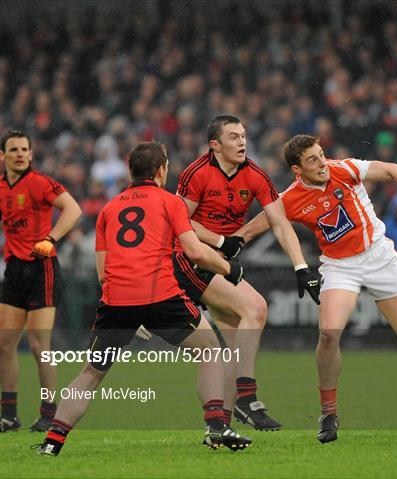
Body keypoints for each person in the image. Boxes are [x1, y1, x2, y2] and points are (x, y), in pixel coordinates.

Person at [35, 142, 251, 456]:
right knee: (210, 350)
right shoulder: (169, 202)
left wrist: (129, 315)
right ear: (162, 170)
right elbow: (194, 251)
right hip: (160, 296)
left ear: (130, 171)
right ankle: (216, 426)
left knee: (92, 373)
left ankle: (52, 444)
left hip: (116, 302)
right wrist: (230, 269)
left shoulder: (109, 209)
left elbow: (102, 274)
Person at [235, 135, 397, 444]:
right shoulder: (292, 197)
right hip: (340, 266)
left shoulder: (345, 169)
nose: (322, 163)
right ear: (297, 169)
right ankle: (328, 413)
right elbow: (262, 222)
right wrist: (231, 243)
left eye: (322, 155)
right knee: (329, 333)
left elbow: (394, 170)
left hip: (379, 256)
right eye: (312, 159)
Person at [171, 115, 320, 430]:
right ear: (215, 145)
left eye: (243, 136)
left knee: (237, 344)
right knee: (256, 307)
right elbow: (179, 220)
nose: (242, 142)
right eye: (234, 137)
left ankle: (222, 425)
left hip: (218, 264)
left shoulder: (254, 175)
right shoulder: (196, 173)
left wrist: (301, 266)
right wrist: (220, 240)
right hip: (189, 258)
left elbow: (279, 221)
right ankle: (247, 398)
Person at [0, 130, 82, 433]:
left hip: (41, 269)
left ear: (31, 155)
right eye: (14, 150)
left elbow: (73, 209)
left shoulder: (40, 183)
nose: (20, 154)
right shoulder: (1, 187)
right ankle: (8, 415)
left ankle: (49, 413)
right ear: (3, 156)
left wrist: (51, 238)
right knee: (4, 345)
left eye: (25, 149)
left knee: (38, 346)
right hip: (13, 272)